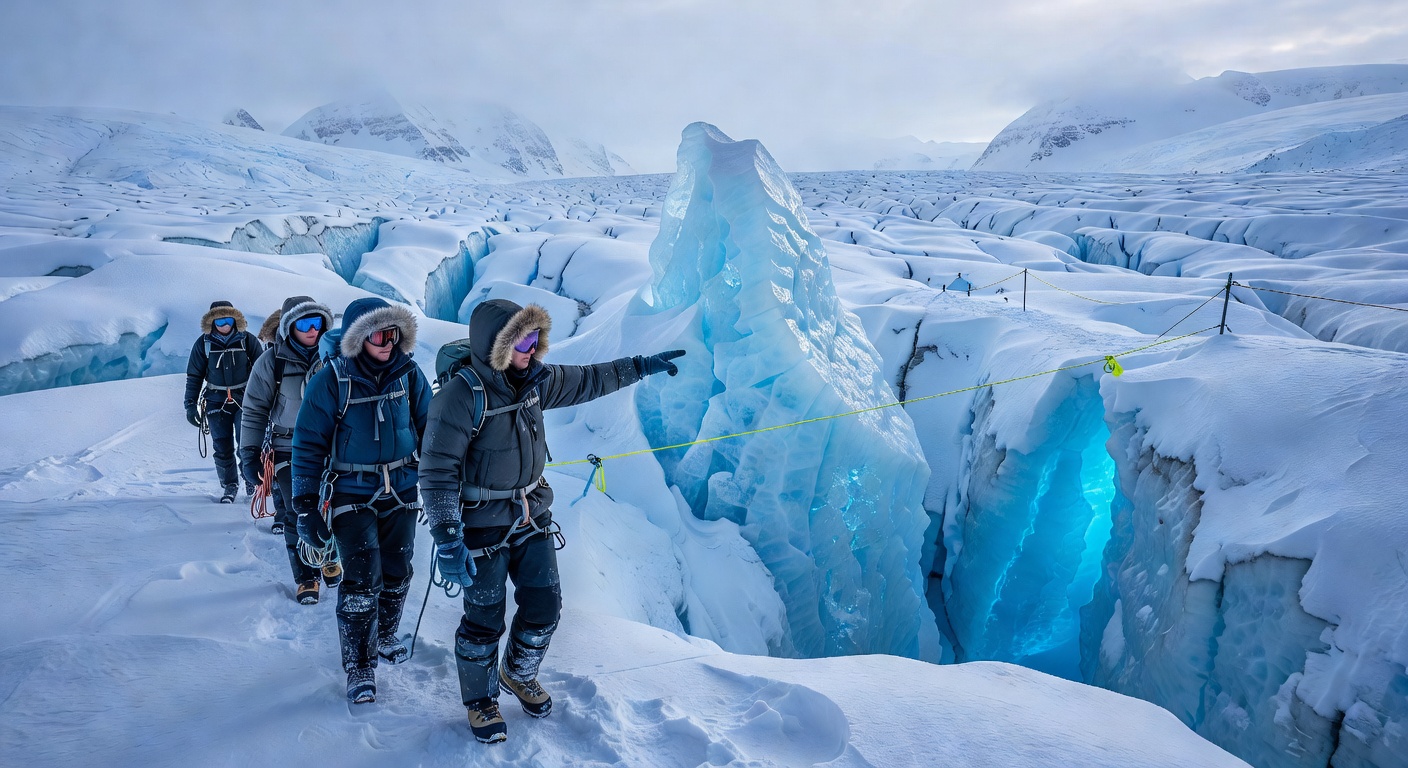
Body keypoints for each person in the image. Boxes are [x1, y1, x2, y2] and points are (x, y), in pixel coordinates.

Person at [418, 299, 684, 744]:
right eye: (522, 341)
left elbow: (590, 379)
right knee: (484, 618)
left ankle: (518, 672)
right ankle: (481, 701)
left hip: (531, 513)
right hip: (481, 524)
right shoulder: (461, 396)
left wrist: (641, 366)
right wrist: (448, 538)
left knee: (545, 607)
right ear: (496, 347)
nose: (533, 348)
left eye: (536, 339)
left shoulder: (536, 380)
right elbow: (437, 470)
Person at [291, 297, 431, 704]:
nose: (388, 342)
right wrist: (304, 505)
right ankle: (360, 666)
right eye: (377, 334)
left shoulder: (408, 374)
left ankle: (385, 633)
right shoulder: (332, 379)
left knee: (399, 568)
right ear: (357, 338)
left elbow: (430, 428)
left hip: (402, 489)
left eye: (393, 333)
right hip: (351, 492)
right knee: (360, 575)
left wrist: (449, 480)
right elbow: (308, 443)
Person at [239, 296, 337, 605]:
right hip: (288, 448)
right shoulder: (272, 362)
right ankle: (307, 577)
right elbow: (254, 410)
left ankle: (329, 555)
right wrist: (249, 453)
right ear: (289, 327)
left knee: (333, 508)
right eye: (304, 324)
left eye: (317, 323)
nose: (312, 330)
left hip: (330, 445)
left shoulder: (336, 355)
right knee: (297, 513)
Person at [184, 300, 263, 503]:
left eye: (228, 319)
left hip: (244, 399)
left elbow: (263, 371)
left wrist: (267, 401)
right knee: (221, 446)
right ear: (211, 322)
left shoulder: (247, 340)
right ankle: (229, 485)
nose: (224, 325)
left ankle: (250, 481)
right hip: (215, 401)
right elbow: (194, 375)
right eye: (219, 320)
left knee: (246, 444)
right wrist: (190, 405)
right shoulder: (203, 344)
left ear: (235, 319)